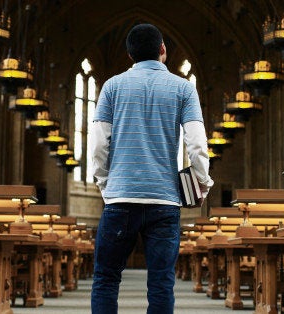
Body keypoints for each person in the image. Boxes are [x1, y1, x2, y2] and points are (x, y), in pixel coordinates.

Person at [90, 23, 214, 314]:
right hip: (164, 202)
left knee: (106, 279)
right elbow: (196, 144)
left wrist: (105, 185)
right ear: (163, 50)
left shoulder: (112, 86)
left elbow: (97, 145)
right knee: (161, 283)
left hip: (120, 199)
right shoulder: (184, 88)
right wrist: (202, 184)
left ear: (129, 55)